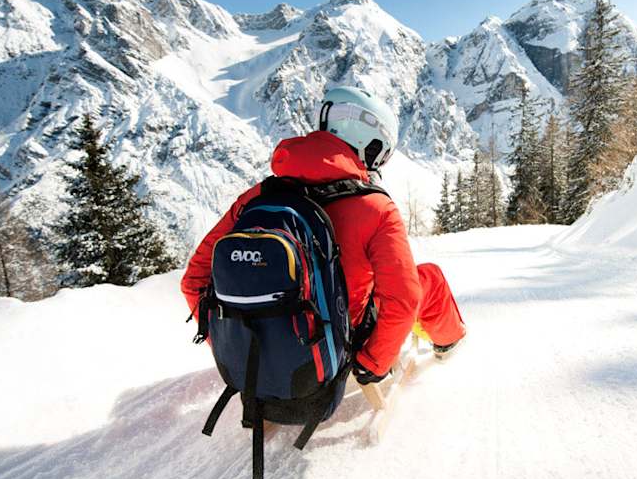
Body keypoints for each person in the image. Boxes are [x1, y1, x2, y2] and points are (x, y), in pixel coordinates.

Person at [181, 85, 466, 384]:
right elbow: (404, 298)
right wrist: (373, 362)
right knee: (427, 278)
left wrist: (231, 345)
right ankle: (449, 342)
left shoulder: (255, 199)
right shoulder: (376, 207)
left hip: (257, 349)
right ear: (369, 146)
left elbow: (194, 282)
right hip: (341, 345)